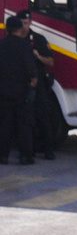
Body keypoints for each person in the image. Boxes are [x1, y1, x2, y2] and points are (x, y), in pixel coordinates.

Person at [0, 16, 39, 165]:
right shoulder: (24, 46)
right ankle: (26, 156)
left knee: (5, 125)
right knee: (24, 125)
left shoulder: (2, 45)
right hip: (21, 92)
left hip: (3, 91)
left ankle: (3, 156)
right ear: (20, 28)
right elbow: (31, 70)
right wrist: (32, 85)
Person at [19, 10, 57, 161]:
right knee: (25, 119)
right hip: (21, 83)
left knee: (43, 116)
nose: (24, 26)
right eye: (22, 23)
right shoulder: (14, 39)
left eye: (27, 23)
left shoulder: (39, 39)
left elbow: (51, 62)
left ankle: (48, 150)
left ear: (31, 23)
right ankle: (30, 150)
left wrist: (38, 56)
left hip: (39, 83)